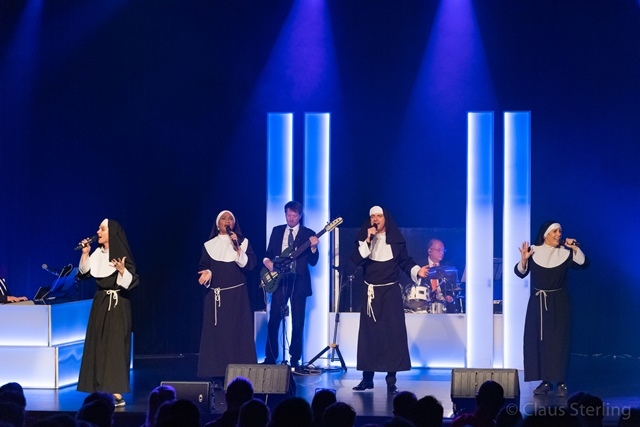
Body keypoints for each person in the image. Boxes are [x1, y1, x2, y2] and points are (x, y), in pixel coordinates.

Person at [351, 206, 429, 393]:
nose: (375, 219)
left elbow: (405, 262)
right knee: (369, 336)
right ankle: (367, 379)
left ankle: (391, 380)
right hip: (371, 293)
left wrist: (417, 271)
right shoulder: (365, 239)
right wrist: (368, 240)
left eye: (379, 216)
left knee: (393, 335)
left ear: (385, 218)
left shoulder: (395, 240)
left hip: (391, 293)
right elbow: (357, 260)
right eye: (372, 216)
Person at [515, 221, 589, 397]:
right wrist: (524, 259)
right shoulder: (533, 251)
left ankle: (561, 382)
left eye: (560, 231)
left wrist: (574, 248)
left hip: (560, 301)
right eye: (555, 231)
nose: (558, 234)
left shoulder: (565, 252)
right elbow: (520, 273)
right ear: (545, 235)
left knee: (559, 342)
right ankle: (546, 381)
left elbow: (584, 263)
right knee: (540, 341)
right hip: (538, 303)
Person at [77, 218, 140, 407]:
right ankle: (97, 387)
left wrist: (121, 271)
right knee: (97, 344)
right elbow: (84, 273)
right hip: (100, 303)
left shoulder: (121, 255)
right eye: (98, 228)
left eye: (102, 229)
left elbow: (133, 282)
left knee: (115, 347)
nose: (98, 232)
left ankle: (115, 390)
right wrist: (85, 253)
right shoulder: (97, 253)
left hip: (118, 303)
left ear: (111, 233)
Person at [197, 210, 257, 385]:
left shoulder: (243, 242)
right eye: (223, 218)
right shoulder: (209, 245)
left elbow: (249, 265)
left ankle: (241, 373)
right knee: (218, 336)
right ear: (218, 224)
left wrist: (237, 247)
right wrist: (208, 273)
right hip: (217, 299)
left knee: (238, 334)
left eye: (230, 218)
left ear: (234, 223)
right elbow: (204, 266)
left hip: (238, 298)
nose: (227, 221)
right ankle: (217, 374)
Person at [262, 201, 319, 368]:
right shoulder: (277, 231)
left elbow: (313, 262)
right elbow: (268, 254)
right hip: (280, 280)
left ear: (300, 216)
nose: (291, 218)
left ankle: (295, 359)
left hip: (299, 281)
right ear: (285, 214)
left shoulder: (308, 233)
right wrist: (268, 263)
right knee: (274, 319)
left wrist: (313, 248)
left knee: (298, 321)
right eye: (288, 215)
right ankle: (270, 357)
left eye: (294, 215)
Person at [420, 238, 459, 313]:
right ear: (430, 251)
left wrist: (449, 296)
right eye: (439, 250)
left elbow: (454, 287)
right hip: (424, 302)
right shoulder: (420, 266)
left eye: (443, 250)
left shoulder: (448, 268)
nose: (442, 252)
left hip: (443, 304)